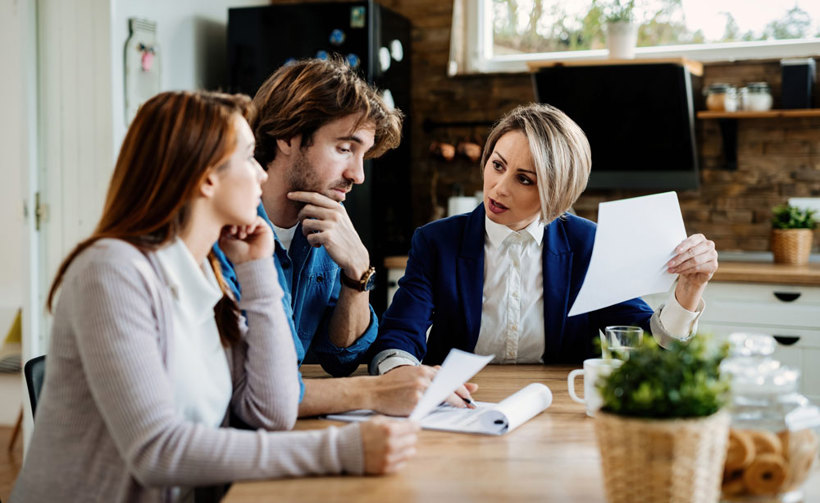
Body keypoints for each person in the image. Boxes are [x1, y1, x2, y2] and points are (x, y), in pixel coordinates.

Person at [11, 91, 418, 502]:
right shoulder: (113, 271)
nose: (261, 174)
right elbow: (157, 452)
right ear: (207, 177)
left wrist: (257, 268)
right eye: (247, 157)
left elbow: (272, 409)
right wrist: (341, 450)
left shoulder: (209, 271)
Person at [368, 103, 718, 373]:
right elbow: (397, 337)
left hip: (558, 405)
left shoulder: (587, 244)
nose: (498, 188)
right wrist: (403, 375)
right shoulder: (435, 241)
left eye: (524, 179)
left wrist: (688, 292)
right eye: (498, 164)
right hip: (458, 402)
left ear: (557, 192)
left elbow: (650, 345)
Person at [215, 58, 474, 416]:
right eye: (344, 149)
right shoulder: (224, 233)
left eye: (363, 155)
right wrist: (379, 389)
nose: (358, 175)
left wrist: (358, 273)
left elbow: (342, 358)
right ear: (288, 136)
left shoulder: (325, 228)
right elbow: (252, 385)